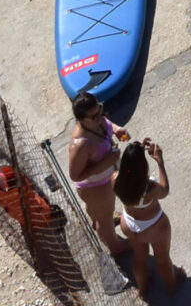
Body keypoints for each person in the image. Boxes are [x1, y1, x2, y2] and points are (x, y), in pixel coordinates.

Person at [113, 140, 180, 294]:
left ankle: (142, 289)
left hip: (128, 225)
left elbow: (128, 171)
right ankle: (171, 286)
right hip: (153, 228)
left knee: (139, 257)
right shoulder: (150, 188)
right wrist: (160, 161)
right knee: (162, 260)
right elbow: (165, 190)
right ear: (143, 168)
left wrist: (138, 149)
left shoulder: (115, 180)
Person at [67, 94, 127, 258]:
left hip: (105, 179)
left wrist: (115, 129)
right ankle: (115, 247)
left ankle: (97, 220)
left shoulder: (96, 120)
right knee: (105, 220)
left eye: (99, 110)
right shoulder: (80, 144)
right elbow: (75, 175)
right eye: (93, 116)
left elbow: (105, 123)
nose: (99, 117)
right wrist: (106, 162)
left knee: (101, 213)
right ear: (81, 119)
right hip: (95, 187)